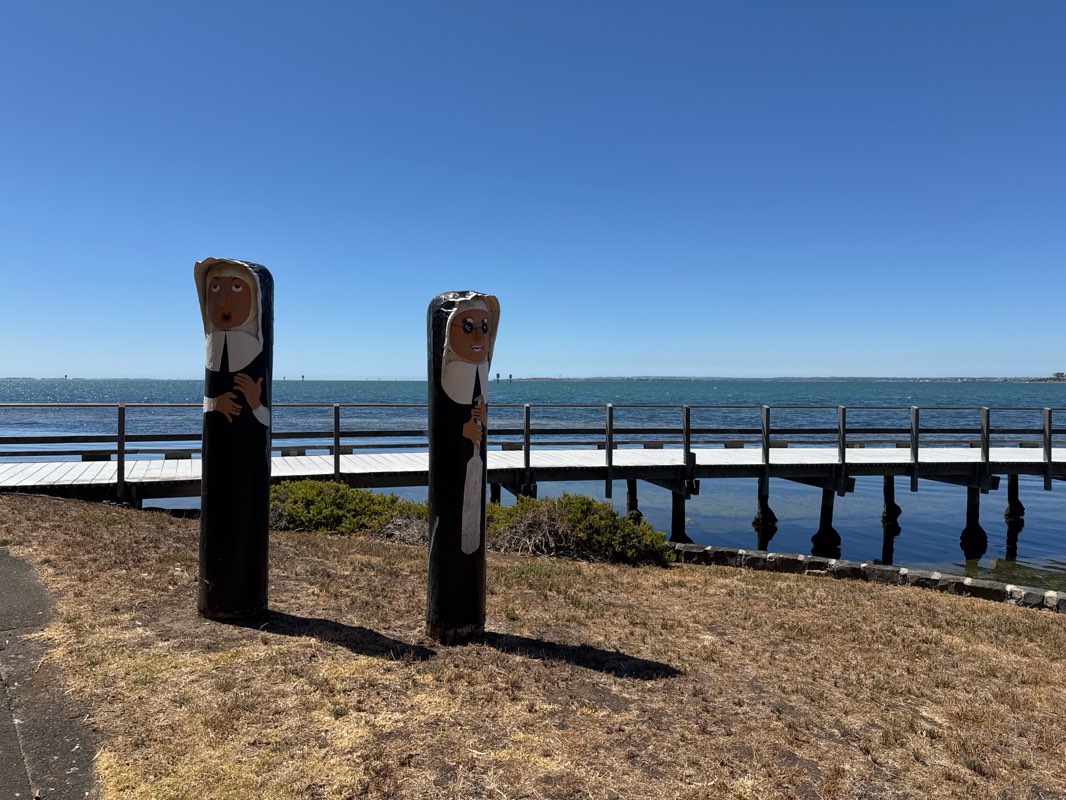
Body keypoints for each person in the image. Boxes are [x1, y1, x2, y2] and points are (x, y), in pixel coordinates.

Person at [194, 257, 274, 619]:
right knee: (218, 514)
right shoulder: (212, 349)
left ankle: (242, 591)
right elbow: (207, 400)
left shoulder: (255, 351)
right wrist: (216, 401)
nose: (223, 300)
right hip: (218, 460)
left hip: (247, 463)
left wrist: (255, 402)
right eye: (215, 288)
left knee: (245, 512)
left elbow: (263, 419)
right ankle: (217, 591)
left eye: (236, 287)